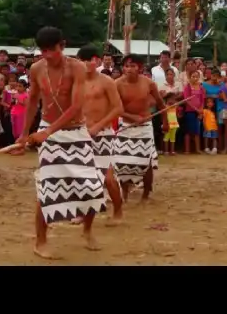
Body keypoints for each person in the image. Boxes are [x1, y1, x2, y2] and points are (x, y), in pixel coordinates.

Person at [13, 27, 105, 259]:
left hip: (75, 132)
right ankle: (40, 241)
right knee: (47, 189)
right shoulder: (36, 68)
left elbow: (75, 106)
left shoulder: (77, 67)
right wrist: (25, 134)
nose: (46, 55)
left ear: (61, 46)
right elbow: (33, 100)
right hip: (49, 132)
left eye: (51, 50)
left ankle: (87, 230)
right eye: (43, 50)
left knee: (92, 187)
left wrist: (47, 132)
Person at [77, 44, 125, 224]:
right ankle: (84, 212)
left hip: (103, 134)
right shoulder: (76, 81)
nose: (85, 64)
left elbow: (118, 108)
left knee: (107, 178)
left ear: (96, 61)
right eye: (82, 60)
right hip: (81, 133)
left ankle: (118, 211)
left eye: (89, 60)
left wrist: (98, 127)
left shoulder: (106, 82)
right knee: (82, 175)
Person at [114, 54, 167, 201]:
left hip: (145, 127)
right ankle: (124, 191)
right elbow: (115, 108)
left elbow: (161, 104)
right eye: (126, 66)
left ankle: (146, 192)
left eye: (133, 66)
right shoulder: (117, 84)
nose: (129, 69)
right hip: (125, 126)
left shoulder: (149, 83)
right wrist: (132, 118)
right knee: (121, 161)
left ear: (140, 68)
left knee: (147, 162)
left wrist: (165, 122)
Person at [181, 70, 205, 154]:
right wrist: (196, 109)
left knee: (197, 130)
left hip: (198, 111)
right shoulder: (187, 87)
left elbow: (202, 100)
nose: (195, 78)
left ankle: (197, 149)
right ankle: (187, 149)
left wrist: (200, 110)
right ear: (189, 77)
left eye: (197, 77)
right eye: (193, 76)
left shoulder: (201, 87)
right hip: (189, 111)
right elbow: (187, 100)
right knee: (188, 131)